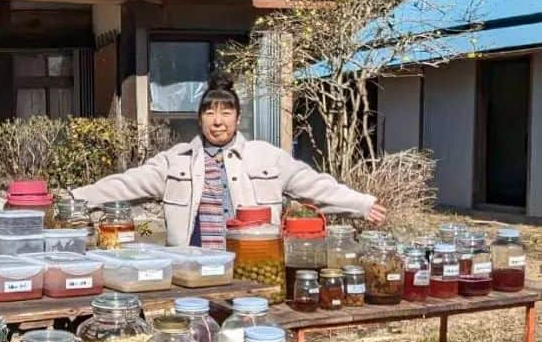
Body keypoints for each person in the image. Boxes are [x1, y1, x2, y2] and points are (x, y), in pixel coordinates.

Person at [72, 72, 386, 247]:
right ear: (199, 119)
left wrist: (360, 203)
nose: (217, 121)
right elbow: (124, 185)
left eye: (226, 112)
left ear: (237, 117)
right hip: (194, 270)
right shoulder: (176, 161)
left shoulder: (266, 156)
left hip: (252, 262)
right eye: (209, 113)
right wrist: (73, 199)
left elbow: (313, 186)